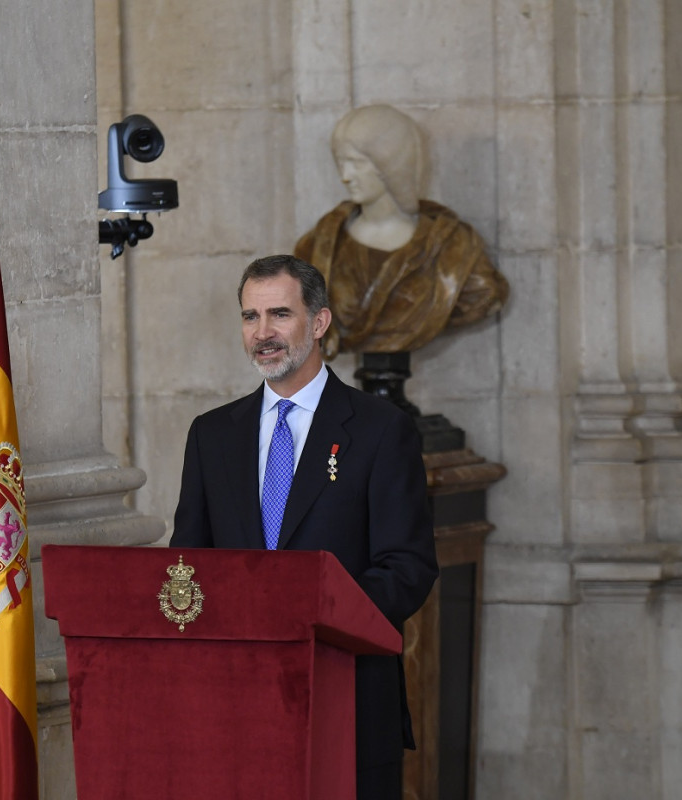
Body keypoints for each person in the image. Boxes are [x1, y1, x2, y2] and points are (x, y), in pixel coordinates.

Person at [170, 254, 439, 800]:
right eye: (250, 317)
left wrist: (312, 615)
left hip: (347, 703)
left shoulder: (382, 430)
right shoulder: (212, 435)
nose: (263, 334)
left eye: (279, 315)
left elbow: (408, 568)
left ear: (318, 323)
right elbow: (189, 564)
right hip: (237, 709)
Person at [295, 104, 508, 358]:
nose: (345, 176)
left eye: (355, 163)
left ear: (390, 165)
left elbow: (483, 297)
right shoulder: (317, 247)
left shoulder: (452, 247)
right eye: (340, 163)